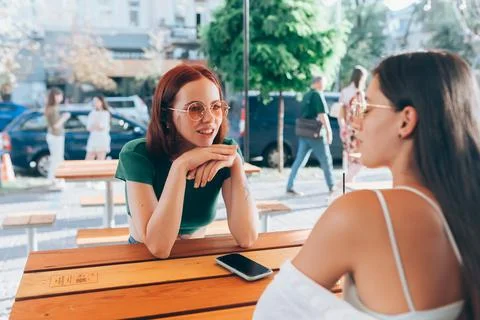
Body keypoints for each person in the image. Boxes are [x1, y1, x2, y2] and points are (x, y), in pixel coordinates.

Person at [254, 51, 480, 319]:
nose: (356, 121)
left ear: (406, 120)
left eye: (368, 108)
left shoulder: (363, 212)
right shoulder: (465, 207)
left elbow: (271, 313)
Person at [115, 64, 258, 258]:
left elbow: (247, 237)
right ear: (166, 116)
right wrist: (181, 166)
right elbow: (158, 247)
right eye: (195, 108)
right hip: (143, 259)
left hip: (197, 256)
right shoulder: (138, 154)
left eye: (216, 107)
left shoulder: (225, 153)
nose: (209, 118)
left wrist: (237, 166)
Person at [286, 76, 335, 196]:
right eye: (324, 83)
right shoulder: (317, 95)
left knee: (299, 160)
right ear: (318, 83)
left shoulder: (306, 95)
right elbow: (322, 115)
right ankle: (332, 186)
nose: (325, 86)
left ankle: (289, 185)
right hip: (315, 133)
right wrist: (329, 132)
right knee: (326, 160)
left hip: (304, 132)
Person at [338, 65, 368, 179]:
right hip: (356, 130)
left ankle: (347, 185)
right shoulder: (359, 94)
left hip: (345, 129)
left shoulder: (344, 92)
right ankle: (344, 183)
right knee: (359, 159)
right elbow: (360, 114)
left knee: (350, 159)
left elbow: (340, 112)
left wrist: (343, 127)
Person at [44, 87, 70, 188]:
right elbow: (55, 125)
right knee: (57, 159)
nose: (61, 98)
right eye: (60, 96)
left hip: (53, 136)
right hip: (56, 136)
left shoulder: (50, 107)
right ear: (55, 96)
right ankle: (56, 179)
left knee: (56, 158)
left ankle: (53, 179)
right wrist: (64, 117)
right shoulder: (53, 108)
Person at [85, 95, 111, 160]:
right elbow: (89, 128)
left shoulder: (106, 113)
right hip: (93, 138)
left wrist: (95, 125)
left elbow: (101, 127)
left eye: (97, 101)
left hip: (102, 138)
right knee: (88, 160)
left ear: (102, 102)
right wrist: (95, 125)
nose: (95, 103)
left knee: (100, 160)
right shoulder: (92, 113)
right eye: (94, 101)